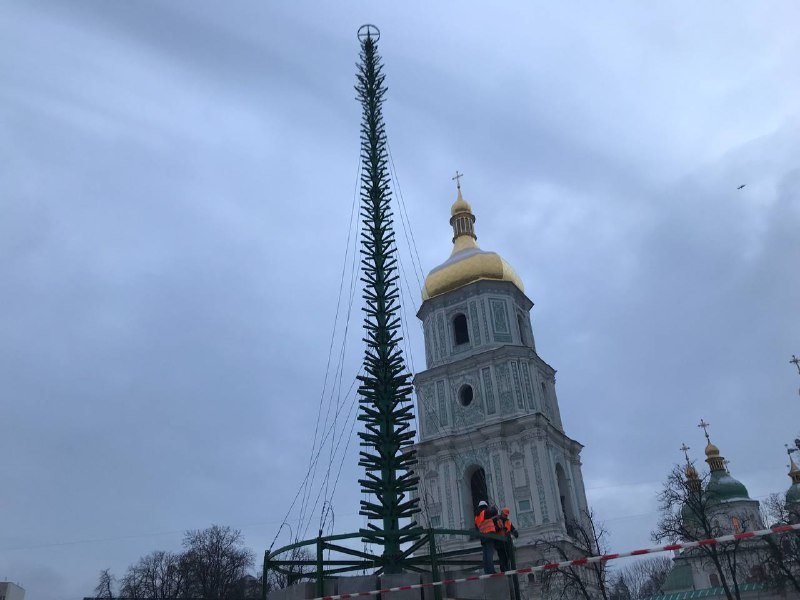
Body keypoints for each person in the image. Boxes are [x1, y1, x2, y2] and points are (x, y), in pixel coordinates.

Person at [474, 500, 498, 574]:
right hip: (489, 535)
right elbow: (494, 512)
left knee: (485, 555)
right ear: (485, 507)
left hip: (483, 537)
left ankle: (487, 570)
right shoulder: (484, 513)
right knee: (490, 554)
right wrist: (493, 507)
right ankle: (491, 571)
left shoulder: (476, 517)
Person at [494, 507, 519, 572]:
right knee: (502, 558)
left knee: (508, 558)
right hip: (499, 542)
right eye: (505, 514)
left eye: (506, 515)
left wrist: (515, 532)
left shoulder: (508, 522)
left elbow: (512, 529)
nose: (505, 516)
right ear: (501, 513)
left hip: (507, 543)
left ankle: (508, 570)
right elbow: (494, 529)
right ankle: (504, 571)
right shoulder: (496, 520)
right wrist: (500, 528)